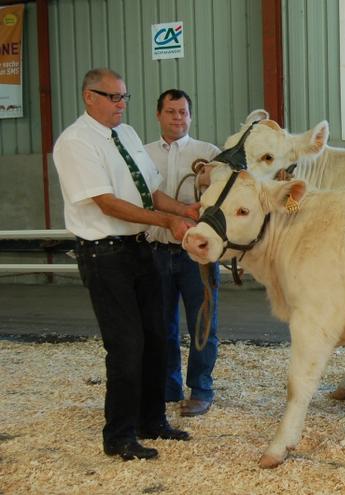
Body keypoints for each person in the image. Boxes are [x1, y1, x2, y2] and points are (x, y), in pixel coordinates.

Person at [53, 68, 196, 461]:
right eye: (113, 97)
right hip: (105, 255)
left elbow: (149, 192)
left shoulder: (127, 135)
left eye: (124, 97)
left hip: (139, 248)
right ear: (88, 97)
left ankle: (152, 420)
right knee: (126, 346)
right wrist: (168, 222)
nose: (120, 104)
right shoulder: (75, 142)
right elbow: (107, 203)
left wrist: (185, 210)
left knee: (156, 339)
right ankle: (119, 435)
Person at [145, 89, 221, 417]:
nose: (178, 117)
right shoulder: (143, 155)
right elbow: (142, 199)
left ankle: (202, 389)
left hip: (198, 256)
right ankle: (168, 387)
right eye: (172, 111)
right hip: (155, 251)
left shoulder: (211, 154)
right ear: (159, 115)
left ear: (190, 116)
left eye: (184, 112)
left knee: (203, 323)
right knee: (161, 325)